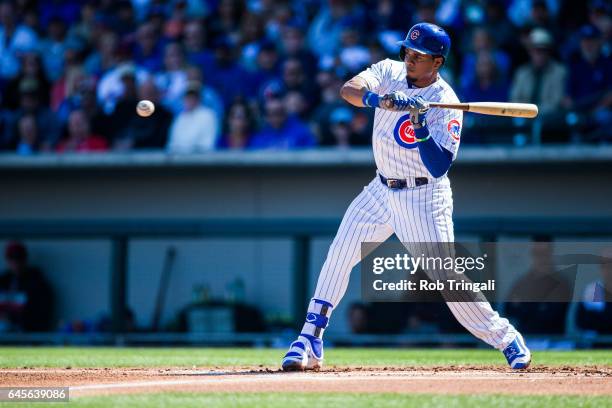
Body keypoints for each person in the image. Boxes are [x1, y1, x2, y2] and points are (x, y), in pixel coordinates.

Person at [281, 23, 531, 372]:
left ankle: (507, 338)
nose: (409, 60)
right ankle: (309, 338)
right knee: (340, 252)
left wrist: (421, 124)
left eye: (419, 56)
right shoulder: (389, 71)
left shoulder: (447, 103)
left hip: (424, 197)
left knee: (448, 280)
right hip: (381, 189)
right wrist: (378, 99)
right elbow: (348, 89)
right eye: (408, 52)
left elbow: (439, 166)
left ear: (438, 62)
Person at [0, 241, 53, 332]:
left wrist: (14, 319)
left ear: (25, 259)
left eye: (19, 258)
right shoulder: (3, 281)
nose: (15, 262)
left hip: (26, 332)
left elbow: (41, 314)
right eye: (12, 258)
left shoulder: (36, 282)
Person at [166, 82, 219, 153]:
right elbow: (172, 143)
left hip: (199, 160)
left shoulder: (208, 115)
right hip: (178, 160)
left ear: (199, 98)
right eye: (188, 96)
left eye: (193, 96)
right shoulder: (180, 118)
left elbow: (207, 144)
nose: (190, 99)